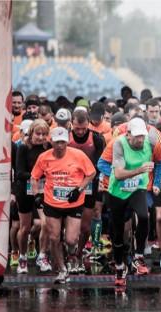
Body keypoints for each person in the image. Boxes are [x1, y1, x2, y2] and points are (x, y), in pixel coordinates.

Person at [31, 127, 96, 284]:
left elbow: (91, 173)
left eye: (63, 142)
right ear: (51, 141)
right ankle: (62, 270)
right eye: (57, 142)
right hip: (52, 203)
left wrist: (79, 189)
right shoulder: (44, 157)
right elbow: (34, 177)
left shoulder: (78, 155)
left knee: (71, 239)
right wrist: (37, 196)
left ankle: (72, 251)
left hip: (74, 202)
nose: (60, 145)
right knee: (54, 238)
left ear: (67, 141)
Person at [106, 118, 158, 286]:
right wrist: (139, 170)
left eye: (142, 137)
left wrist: (156, 182)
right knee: (119, 232)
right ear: (128, 135)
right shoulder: (119, 144)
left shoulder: (150, 140)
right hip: (118, 191)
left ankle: (139, 256)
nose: (140, 141)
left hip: (137, 188)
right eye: (136, 137)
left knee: (144, 217)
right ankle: (120, 266)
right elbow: (119, 174)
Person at [67, 110, 106, 273]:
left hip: (90, 183)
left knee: (85, 226)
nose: (81, 132)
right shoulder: (66, 138)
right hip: (69, 183)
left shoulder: (96, 138)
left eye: (83, 129)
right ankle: (68, 255)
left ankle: (78, 253)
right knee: (67, 225)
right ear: (71, 124)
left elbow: (101, 163)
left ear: (88, 124)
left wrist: (99, 180)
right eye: (77, 129)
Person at [15, 119, 52, 274]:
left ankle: (42, 255)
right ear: (31, 133)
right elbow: (19, 172)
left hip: (43, 191)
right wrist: (35, 175)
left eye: (44, 134)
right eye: (38, 134)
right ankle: (22, 257)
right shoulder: (23, 148)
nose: (41, 137)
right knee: (24, 227)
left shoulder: (48, 147)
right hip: (25, 190)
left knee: (45, 224)